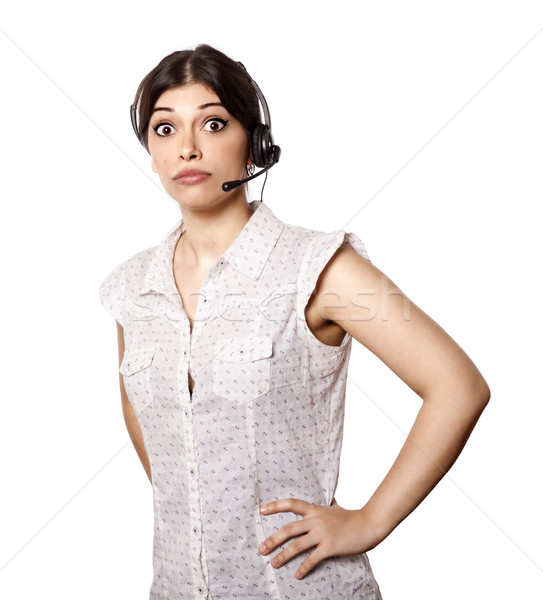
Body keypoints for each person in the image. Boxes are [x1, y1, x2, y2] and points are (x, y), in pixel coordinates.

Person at [99, 44, 490, 600]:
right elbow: (145, 416)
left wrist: (368, 522)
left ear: (253, 143)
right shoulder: (131, 288)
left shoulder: (318, 267)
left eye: (212, 124)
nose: (187, 148)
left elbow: (458, 386)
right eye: (165, 130)